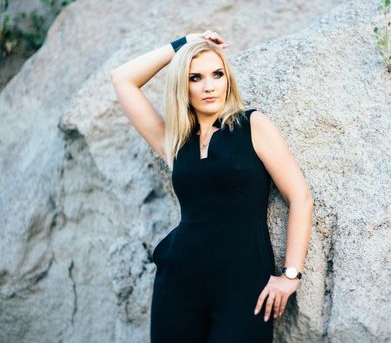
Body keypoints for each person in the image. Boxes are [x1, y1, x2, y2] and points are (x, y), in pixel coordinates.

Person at [111, 30, 313, 342]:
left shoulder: (252, 126)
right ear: (183, 86)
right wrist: (185, 42)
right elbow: (123, 79)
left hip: (245, 287)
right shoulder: (175, 140)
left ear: (227, 79)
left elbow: (299, 196)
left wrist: (291, 275)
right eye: (195, 78)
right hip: (178, 284)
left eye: (217, 74)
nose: (209, 86)